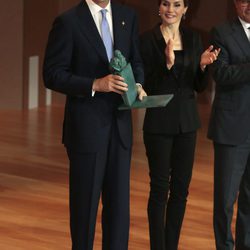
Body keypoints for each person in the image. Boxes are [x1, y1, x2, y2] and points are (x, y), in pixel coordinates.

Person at [43, 0, 146, 249]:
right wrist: (94, 84)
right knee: (84, 211)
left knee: (119, 212)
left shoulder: (127, 16)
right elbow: (53, 74)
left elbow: (136, 61)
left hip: (121, 129)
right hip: (87, 130)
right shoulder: (68, 22)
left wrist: (138, 84)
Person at [140, 0, 220, 249]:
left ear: (186, 10)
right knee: (159, 189)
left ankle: (170, 245)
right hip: (158, 124)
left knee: (181, 191)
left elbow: (197, 86)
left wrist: (203, 66)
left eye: (177, 4)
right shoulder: (146, 39)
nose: (171, 9)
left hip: (187, 124)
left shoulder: (194, 39)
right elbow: (147, 84)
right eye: (166, 3)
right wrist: (168, 64)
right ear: (159, 7)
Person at [207, 0, 250, 249]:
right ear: (236, 4)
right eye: (245, 0)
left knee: (249, 199)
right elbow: (220, 73)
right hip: (231, 129)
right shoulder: (221, 32)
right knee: (225, 201)